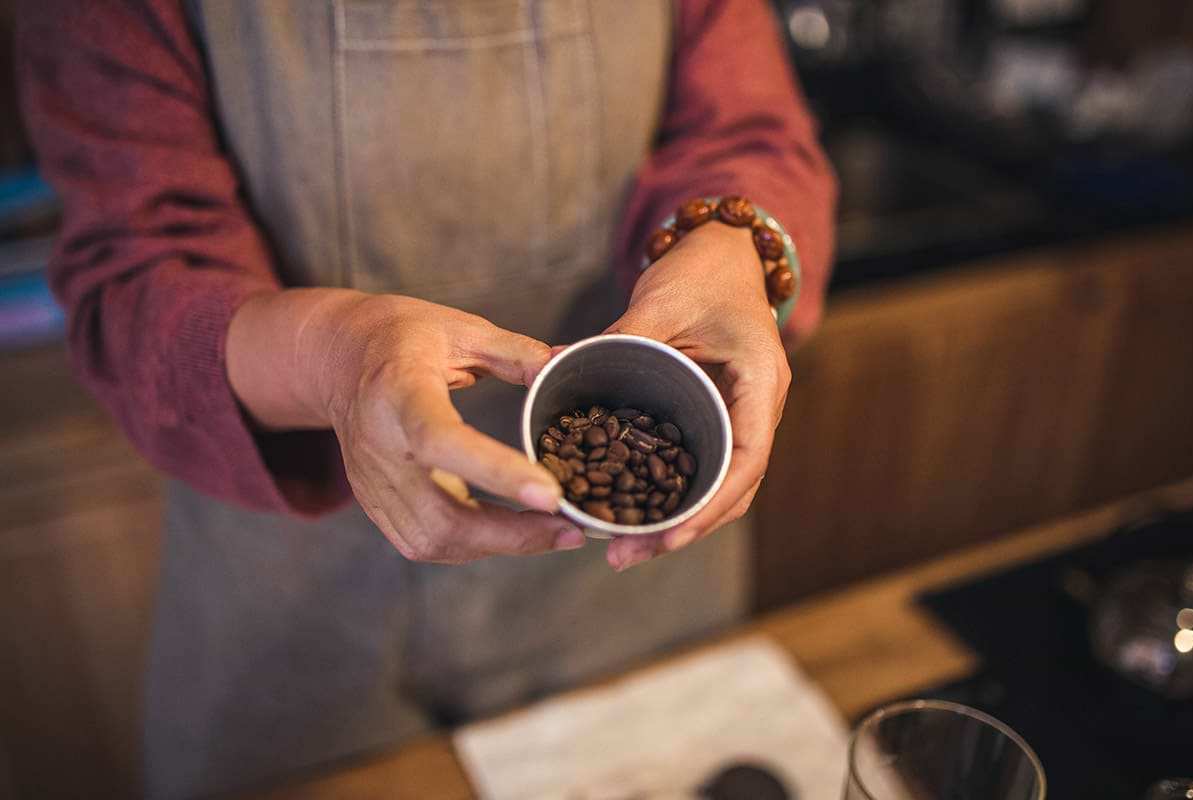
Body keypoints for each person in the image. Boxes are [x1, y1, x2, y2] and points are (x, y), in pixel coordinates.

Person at [18, 0, 836, 796]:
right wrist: (331, 356)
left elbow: (751, 130)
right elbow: (131, 273)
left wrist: (733, 245)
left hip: (624, 589)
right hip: (294, 604)